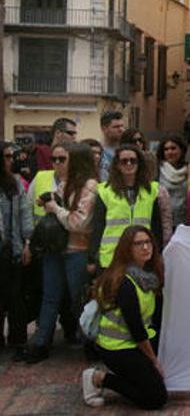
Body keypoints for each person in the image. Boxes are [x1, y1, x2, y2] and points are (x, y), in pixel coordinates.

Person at [24, 143, 98, 364]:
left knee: (79, 300)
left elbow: (80, 222)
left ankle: (90, 343)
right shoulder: (66, 183)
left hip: (77, 250)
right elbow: (54, 202)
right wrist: (49, 200)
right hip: (55, 249)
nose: (56, 164)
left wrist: (54, 208)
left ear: (76, 161)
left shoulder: (90, 186)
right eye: (54, 159)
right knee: (50, 296)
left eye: (62, 159)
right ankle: (40, 343)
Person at [83, 225, 167, 409]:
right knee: (156, 398)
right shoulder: (125, 283)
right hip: (117, 348)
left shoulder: (150, 276)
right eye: (138, 244)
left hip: (136, 341)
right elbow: (136, 329)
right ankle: (98, 378)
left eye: (148, 242)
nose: (145, 247)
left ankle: (142, 374)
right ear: (127, 249)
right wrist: (154, 361)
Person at [92, 145, 172, 269]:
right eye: (124, 161)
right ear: (117, 165)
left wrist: (158, 253)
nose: (129, 164)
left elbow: (156, 227)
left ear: (139, 164)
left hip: (143, 256)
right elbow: (97, 226)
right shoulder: (105, 191)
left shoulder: (152, 190)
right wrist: (91, 258)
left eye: (133, 160)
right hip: (112, 257)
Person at [0, 141, 34, 359]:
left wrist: (27, 244)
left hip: (12, 250)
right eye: (7, 156)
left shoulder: (15, 183)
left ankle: (18, 340)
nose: (11, 160)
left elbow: (25, 214)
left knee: (16, 299)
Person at [156, 135, 189, 229]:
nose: (169, 152)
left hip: (185, 222)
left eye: (173, 148)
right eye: (166, 149)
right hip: (163, 224)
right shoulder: (157, 171)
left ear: (181, 150)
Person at [99, 111, 125, 181]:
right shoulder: (96, 150)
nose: (121, 129)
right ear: (104, 129)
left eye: (122, 126)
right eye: (116, 127)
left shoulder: (126, 151)